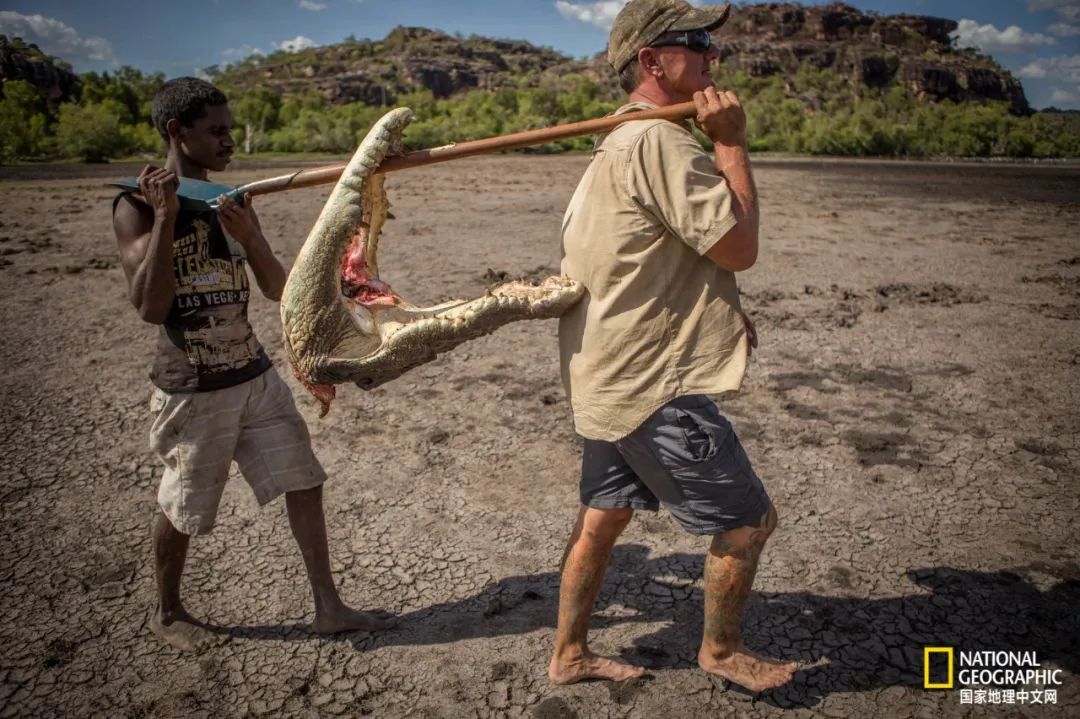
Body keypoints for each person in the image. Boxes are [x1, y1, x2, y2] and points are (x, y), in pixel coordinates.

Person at [549, 0, 797, 691]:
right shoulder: (658, 142)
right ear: (652, 62)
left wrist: (720, 312)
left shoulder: (619, 141)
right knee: (749, 521)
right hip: (650, 386)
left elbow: (640, 261)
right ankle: (719, 650)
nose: (714, 54)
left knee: (604, 515)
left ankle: (569, 652)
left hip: (606, 372)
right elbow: (740, 248)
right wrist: (731, 141)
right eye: (696, 42)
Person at [113, 77, 393, 652]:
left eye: (230, 129)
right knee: (183, 504)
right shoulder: (136, 204)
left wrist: (251, 237)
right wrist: (166, 218)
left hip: (254, 374)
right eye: (215, 131)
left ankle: (327, 606)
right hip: (192, 386)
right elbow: (150, 306)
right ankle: (168, 612)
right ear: (176, 132)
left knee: (304, 480)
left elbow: (276, 289)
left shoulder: (231, 202)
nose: (228, 140)